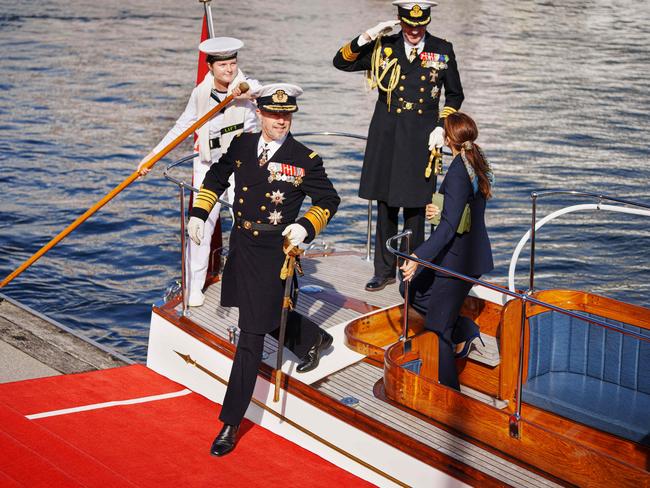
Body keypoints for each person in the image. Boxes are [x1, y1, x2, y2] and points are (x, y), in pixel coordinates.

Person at [187, 83, 340, 456]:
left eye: (286, 116)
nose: (281, 121)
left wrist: (305, 226)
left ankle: (230, 422)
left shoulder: (305, 158)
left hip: (275, 253)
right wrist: (200, 211)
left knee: (250, 335)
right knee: (259, 311)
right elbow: (217, 177)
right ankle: (312, 340)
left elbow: (329, 199)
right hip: (242, 245)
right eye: (274, 115)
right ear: (260, 114)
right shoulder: (241, 145)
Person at [333, 1, 464, 291]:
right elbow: (341, 62)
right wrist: (367, 36)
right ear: (399, 20)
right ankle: (383, 270)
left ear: (427, 23)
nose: (415, 30)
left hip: (422, 135)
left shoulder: (442, 49)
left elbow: (455, 95)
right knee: (385, 204)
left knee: (417, 207)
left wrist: (442, 128)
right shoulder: (384, 46)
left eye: (420, 25)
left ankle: (412, 267)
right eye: (409, 25)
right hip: (388, 132)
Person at [138, 37, 260, 307]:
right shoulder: (200, 94)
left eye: (233, 63)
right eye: (224, 65)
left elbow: (261, 91)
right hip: (209, 168)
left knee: (250, 224)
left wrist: (245, 91)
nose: (229, 70)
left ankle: (254, 283)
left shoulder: (247, 86)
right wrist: (152, 157)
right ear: (211, 67)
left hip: (241, 169)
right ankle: (195, 288)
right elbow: (180, 128)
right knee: (200, 227)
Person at [400, 112, 493, 390]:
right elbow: (464, 210)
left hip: (456, 261)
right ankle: (465, 329)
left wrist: (418, 257)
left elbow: (450, 227)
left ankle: (449, 395)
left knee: (438, 331)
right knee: (410, 291)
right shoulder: (474, 162)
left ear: (449, 138)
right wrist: (438, 212)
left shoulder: (456, 173)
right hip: (470, 255)